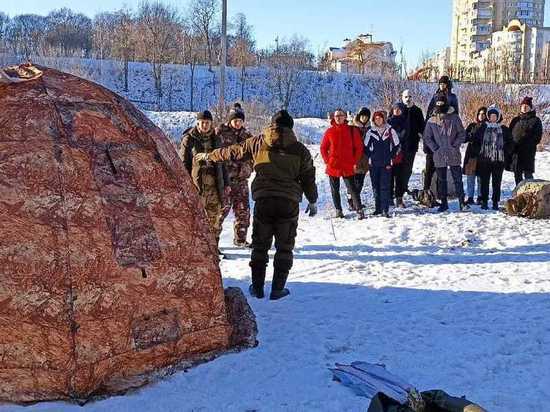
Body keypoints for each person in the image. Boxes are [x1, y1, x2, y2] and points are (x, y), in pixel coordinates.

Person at [194, 110, 318, 301]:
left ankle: (258, 287)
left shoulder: (259, 141)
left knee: (260, 245)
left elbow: (232, 152)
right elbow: (309, 177)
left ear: (272, 124)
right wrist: (313, 199)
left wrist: (209, 156)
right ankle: (277, 289)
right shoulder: (300, 149)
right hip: (288, 202)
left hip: (264, 199)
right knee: (285, 246)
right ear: (291, 127)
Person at [179, 110, 229, 251]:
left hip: (214, 187)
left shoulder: (217, 139)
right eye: (202, 123)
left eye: (208, 123)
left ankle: (213, 250)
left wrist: (226, 184)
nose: (205, 125)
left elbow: (222, 163)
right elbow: (183, 164)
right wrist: (186, 185)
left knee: (214, 221)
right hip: (197, 188)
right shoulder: (189, 139)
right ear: (198, 123)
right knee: (195, 220)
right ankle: (194, 251)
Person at [217, 104, 254, 247]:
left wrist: (249, 167)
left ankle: (240, 240)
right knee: (220, 212)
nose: (238, 123)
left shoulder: (248, 136)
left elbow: (254, 155)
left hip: (242, 180)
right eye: (235, 120)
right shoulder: (220, 133)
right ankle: (212, 241)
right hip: (225, 180)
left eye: (240, 120)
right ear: (230, 120)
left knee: (243, 211)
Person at [423, 95, 467, 212]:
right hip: (439, 154)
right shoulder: (431, 120)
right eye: (438, 104)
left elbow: (462, 133)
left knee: (457, 179)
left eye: (442, 104)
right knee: (441, 180)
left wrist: (455, 145)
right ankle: (444, 203)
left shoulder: (454, 118)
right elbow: (427, 137)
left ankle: (462, 202)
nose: (440, 106)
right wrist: (435, 148)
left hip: (453, 153)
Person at [320, 108, 365, 219]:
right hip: (333, 165)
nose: (338, 117)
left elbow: (359, 147)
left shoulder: (352, 130)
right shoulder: (329, 131)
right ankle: (338, 210)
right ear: (333, 118)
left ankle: (359, 209)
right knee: (335, 190)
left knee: (352, 188)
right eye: (336, 116)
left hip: (347, 164)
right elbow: (323, 148)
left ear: (345, 117)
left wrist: (354, 161)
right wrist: (327, 161)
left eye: (341, 115)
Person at [470, 105, 513, 210]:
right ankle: (484, 201)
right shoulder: (482, 128)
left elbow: (511, 143)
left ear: (498, 117)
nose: (493, 117)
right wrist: (479, 152)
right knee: (485, 182)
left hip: (498, 161)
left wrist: (505, 153)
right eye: (491, 115)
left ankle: (495, 202)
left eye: (495, 115)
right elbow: (474, 141)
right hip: (484, 160)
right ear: (488, 116)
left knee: (496, 183)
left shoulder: (504, 129)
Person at [423, 76, 460, 196]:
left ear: (448, 84)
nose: (442, 86)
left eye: (444, 84)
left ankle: (445, 194)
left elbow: (456, 113)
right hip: (435, 131)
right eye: (440, 84)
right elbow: (429, 114)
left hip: (448, 135)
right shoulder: (435, 96)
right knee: (430, 166)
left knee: (449, 168)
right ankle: (426, 191)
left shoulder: (452, 97)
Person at [364, 111, 400, 218]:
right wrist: (371, 155)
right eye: (376, 118)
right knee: (375, 186)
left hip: (386, 164)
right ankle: (378, 208)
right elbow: (365, 147)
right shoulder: (370, 132)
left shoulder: (390, 130)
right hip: (374, 164)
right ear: (373, 120)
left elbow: (397, 145)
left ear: (383, 119)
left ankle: (385, 209)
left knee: (384, 187)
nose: (378, 120)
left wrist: (391, 157)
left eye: (380, 118)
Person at [509, 96, 543, 185]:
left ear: (530, 108)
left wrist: (527, 144)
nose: (524, 107)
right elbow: (509, 134)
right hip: (516, 152)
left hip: (528, 152)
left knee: (528, 176)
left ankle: (530, 195)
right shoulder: (515, 120)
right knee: (517, 175)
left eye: (526, 106)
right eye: (523, 105)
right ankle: (519, 196)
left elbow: (538, 137)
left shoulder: (536, 120)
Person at [401, 89, 425, 196]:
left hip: (412, 144)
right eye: (406, 97)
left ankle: (404, 186)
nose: (408, 99)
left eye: (410, 96)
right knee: (398, 168)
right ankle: (397, 189)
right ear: (402, 97)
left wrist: (421, 135)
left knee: (408, 168)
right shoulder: (399, 109)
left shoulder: (417, 111)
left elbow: (422, 126)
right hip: (399, 145)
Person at [463, 107, 486, 205]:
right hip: (471, 155)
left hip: (482, 155)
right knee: (470, 178)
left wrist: (476, 138)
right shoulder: (472, 125)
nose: (481, 115)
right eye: (480, 113)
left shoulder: (488, 127)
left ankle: (480, 197)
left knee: (481, 178)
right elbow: (464, 137)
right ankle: (470, 197)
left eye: (483, 114)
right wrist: (470, 136)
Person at [388, 102, 408, 207]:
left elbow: (407, 137)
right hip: (390, 153)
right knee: (390, 177)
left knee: (400, 177)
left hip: (402, 153)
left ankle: (399, 198)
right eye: (395, 109)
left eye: (399, 109)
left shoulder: (405, 122)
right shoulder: (388, 122)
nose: (396, 111)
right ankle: (389, 197)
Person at [352, 107, 371, 207]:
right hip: (355, 158)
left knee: (360, 182)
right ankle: (354, 202)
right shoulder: (353, 127)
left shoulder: (369, 129)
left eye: (366, 116)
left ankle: (355, 201)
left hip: (365, 159)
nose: (364, 118)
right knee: (355, 182)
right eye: (362, 116)